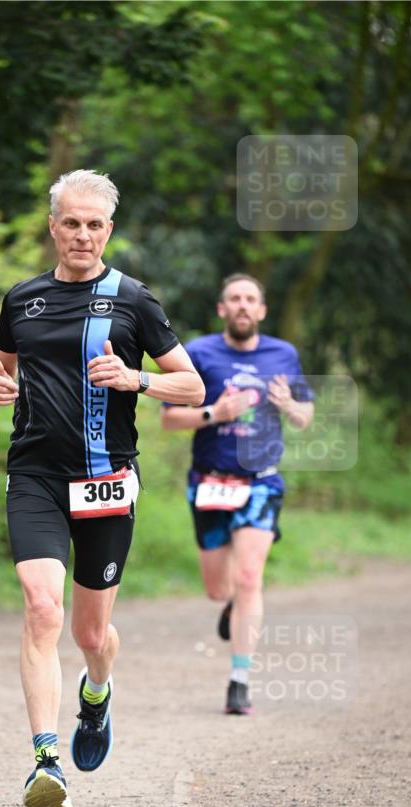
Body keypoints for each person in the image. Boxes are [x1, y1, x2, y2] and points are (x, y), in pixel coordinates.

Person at [0, 169, 204, 807]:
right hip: (36, 477)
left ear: (109, 230)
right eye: (70, 222)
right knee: (42, 609)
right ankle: (45, 762)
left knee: (90, 631)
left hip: (105, 479)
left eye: (94, 224)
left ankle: (98, 693)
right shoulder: (22, 299)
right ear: (52, 226)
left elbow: (190, 387)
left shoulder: (132, 300)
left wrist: (135, 378)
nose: (81, 234)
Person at [160, 274, 314, 715]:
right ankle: (230, 604)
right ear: (222, 309)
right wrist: (216, 412)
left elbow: (305, 416)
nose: (243, 305)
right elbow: (170, 419)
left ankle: (239, 680)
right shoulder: (200, 353)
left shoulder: (283, 354)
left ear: (262, 310)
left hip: (261, 481)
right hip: (209, 481)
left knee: (249, 578)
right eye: (234, 299)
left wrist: (289, 407)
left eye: (251, 299)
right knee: (217, 588)